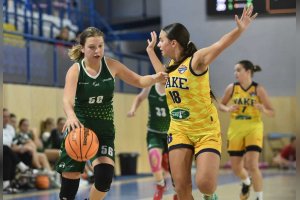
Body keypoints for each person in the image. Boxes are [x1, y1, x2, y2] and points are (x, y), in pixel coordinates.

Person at [146, 5, 257, 200]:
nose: (159, 44)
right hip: (179, 130)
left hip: (205, 130)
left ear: (173, 43)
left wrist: (240, 29)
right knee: (180, 188)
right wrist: (150, 52)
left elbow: (220, 44)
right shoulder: (170, 67)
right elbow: (162, 77)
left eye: (161, 41)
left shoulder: (196, 60)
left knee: (205, 185)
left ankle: (210, 195)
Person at [55, 26, 168, 200]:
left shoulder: (112, 65)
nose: (97, 50)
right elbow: (67, 100)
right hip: (80, 129)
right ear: (83, 48)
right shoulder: (76, 71)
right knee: (71, 180)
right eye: (92, 47)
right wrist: (70, 115)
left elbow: (138, 80)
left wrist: (154, 78)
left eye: (100, 46)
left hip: (104, 130)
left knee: (105, 177)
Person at [219, 60, 275, 200]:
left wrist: (263, 109)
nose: (235, 73)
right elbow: (221, 105)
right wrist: (228, 109)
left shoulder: (258, 89)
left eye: (238, 70)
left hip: (253, 126)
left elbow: (272, 112)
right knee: (236, 167)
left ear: (248, 72)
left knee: (252, 164)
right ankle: (246, 182)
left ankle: (259, 197)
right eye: (235, 70)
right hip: (236, 127)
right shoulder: (231, 88)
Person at [127, 83, 171, 200]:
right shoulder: (151, 86)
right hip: (154, 132)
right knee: (154, 157)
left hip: (172, 133)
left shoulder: (173, 87)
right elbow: (139, 97)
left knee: (172, 167)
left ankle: (178, 191)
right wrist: (133, 109)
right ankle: (160, 185)